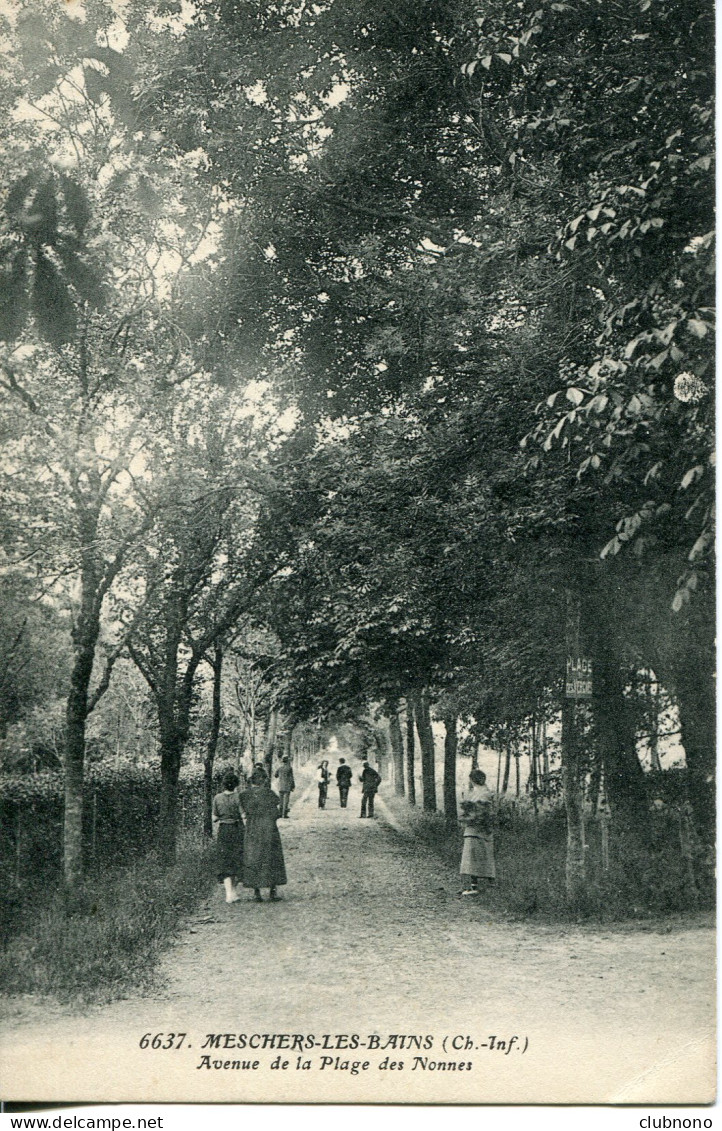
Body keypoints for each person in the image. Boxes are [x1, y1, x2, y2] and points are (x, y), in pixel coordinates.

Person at [239, 776, 287, 902]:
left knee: (254, 857)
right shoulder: (269, 793)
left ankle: (257, 892)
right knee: (272, 857)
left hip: (252, 830)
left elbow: (243, 812)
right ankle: (272, 892)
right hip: (269, 829)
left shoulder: (244, 795)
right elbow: (277, 813)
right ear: (263, 781)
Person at [458, 768, 496, 895]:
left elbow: (480, 811)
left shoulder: (481, 793)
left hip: (476, 827)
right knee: (483, 855)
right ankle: (487, 884)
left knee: (473, 857)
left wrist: (467, 814)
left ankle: (474, 888)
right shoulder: (484, 792)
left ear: (472, 780)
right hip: (481, 828)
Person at [212, 769, 244, 903]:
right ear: (236, 784)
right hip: (237, 830)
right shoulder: (239, 797)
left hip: (224, 830)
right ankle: (234, 892)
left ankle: (229, 894)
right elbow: (244, 815)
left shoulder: (217, 798)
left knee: (225, 861)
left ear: (224, 784)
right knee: (237, 859)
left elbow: (214, 818)